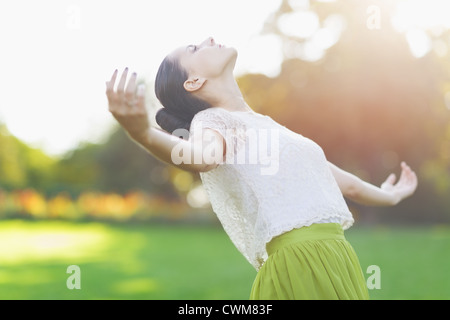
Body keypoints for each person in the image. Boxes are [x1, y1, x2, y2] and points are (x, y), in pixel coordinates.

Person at [105, 37, 418, 300]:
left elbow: (339, 181)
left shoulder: (266, 127)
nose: (209, 40)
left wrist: (388, 196)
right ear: (194, 81)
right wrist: (144, 134)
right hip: (300, 262)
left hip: (336, 255)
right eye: (194, 49)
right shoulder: (212, 121)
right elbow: (202, 156)